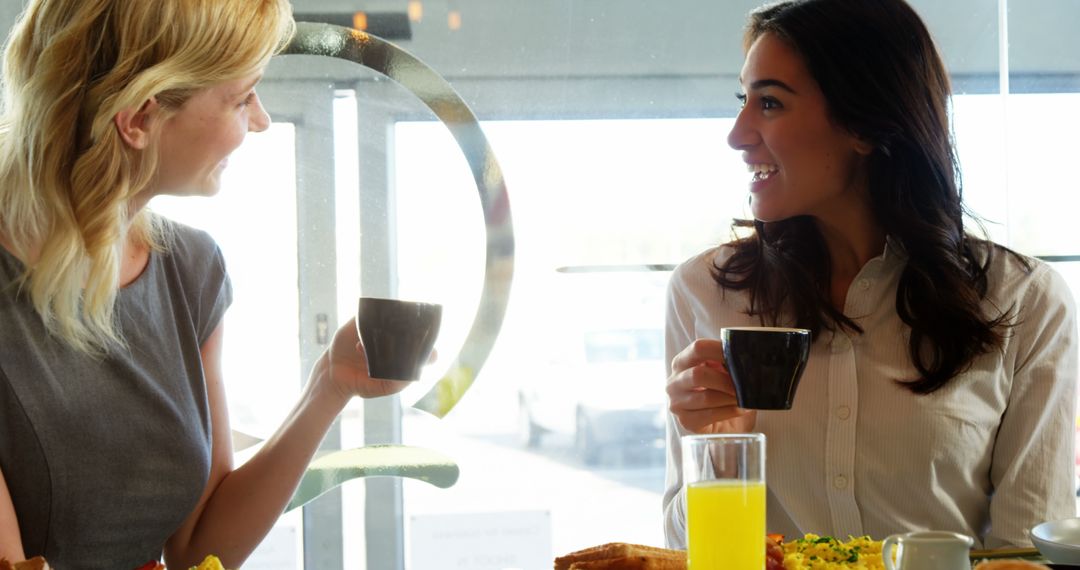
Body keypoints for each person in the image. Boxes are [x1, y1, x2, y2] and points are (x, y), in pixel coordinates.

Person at [0, 1, 417, 568]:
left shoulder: (191, 269)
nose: (262, 118)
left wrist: (330, 386)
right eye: (241, 97)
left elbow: (200, 547)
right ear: (140, 119)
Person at [664, 0, 1077, 551]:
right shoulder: (703, 293)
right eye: (745, 100)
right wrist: (717, 455)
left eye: (769, 102)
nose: (738, 134)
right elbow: (681, 550)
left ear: (864, 123)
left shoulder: (1024, 300)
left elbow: (1025, 551)